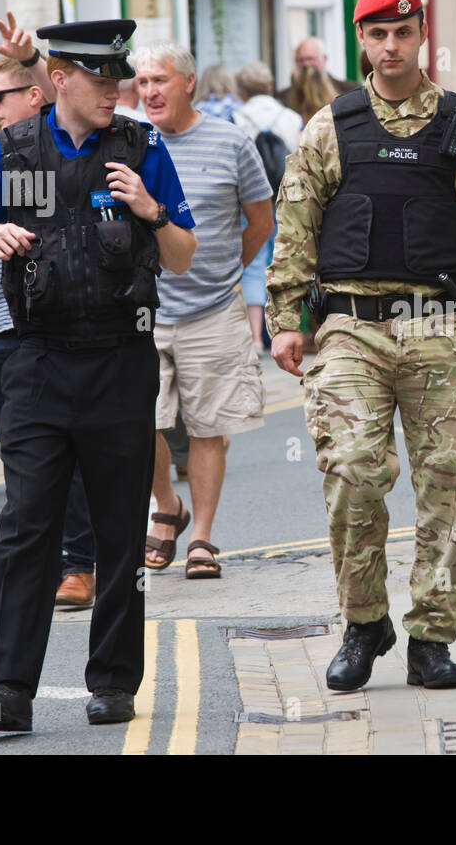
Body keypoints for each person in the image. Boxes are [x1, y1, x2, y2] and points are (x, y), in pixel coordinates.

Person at [267, 0, 456, 691]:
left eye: (404, 32)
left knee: (446, 480)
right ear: (361, 39)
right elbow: (293, 228)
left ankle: (430, 636)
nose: (391, 47)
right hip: (350, 326)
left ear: (422, 35)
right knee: (353, 468)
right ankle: (364, 623)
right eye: (377, 34)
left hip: (443, 325)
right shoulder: (331, 126)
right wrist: (287, 320)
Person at [0, 19, 195, 732]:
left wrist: (152, 212)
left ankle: (114, 680)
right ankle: (9, 686)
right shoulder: (16, 148)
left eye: (119, 79)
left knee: (121, 524)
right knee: (27, 520)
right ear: (56, 81)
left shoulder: (140, 146)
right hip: (37, 360)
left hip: (120, 359)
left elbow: (183, 255)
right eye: (100, 80)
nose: (115, 92)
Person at [0, 51, 101, 609]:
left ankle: (79, 565)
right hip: (0, 331)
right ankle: (44, 563)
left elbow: (65, 90)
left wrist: (31, 56)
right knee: (25, 458)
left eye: (0, 95)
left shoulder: (63, 144)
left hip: (62, 328)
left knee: (70, 448)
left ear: (35, 95)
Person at [133, 41, 272, 578]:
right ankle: (166, 503)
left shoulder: (231, 141)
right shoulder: (129, 142)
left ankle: (202, 539)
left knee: (210, 426)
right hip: (145, 311)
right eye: (142, 83)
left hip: (212, 308)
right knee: (142, 422)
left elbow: (260, 220)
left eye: (159, 81)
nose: (149, 92)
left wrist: (226, 270)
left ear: (188, 83)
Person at [235, 61, 303, 350]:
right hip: (285, 197)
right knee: (284, 260)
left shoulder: (236, 116)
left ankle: (254, 337)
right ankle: (285, 331)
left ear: (243, 90)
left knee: (252, 265)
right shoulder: (290, 117)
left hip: (249, 201)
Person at [277, 36, 357, 112]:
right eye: (300, 60)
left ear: (324, 59)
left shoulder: (348, 92)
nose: (305, 64)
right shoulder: (282, 99)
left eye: (310, 58)